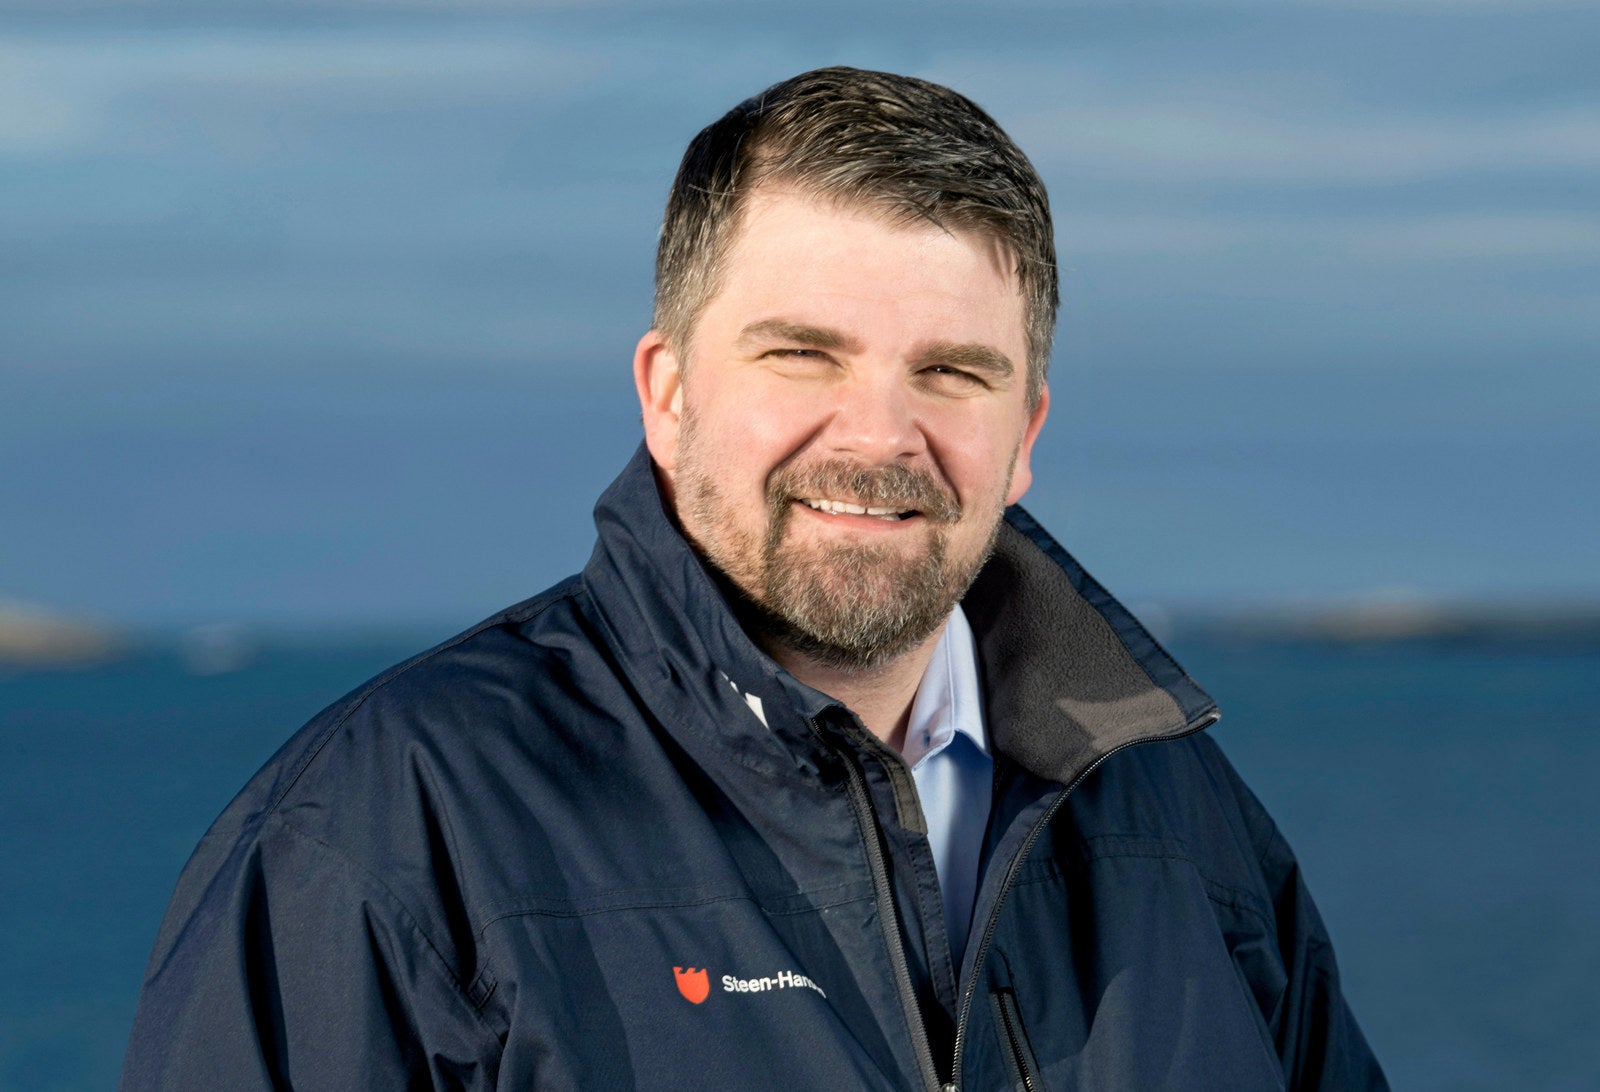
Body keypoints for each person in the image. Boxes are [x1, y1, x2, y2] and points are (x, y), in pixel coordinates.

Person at [123, 67, 1386, 1090]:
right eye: (801, 355)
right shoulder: (380, 836)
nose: (878, 436)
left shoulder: (1177, 821)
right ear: (668, 395)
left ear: (1025, 436)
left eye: (951, 373)